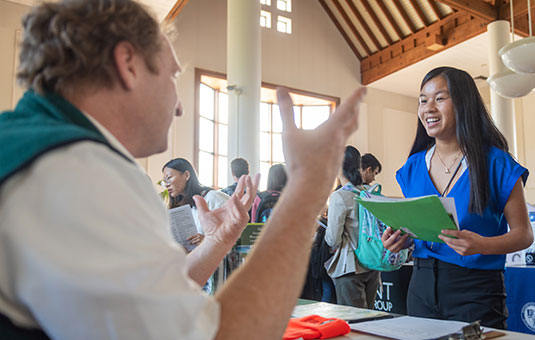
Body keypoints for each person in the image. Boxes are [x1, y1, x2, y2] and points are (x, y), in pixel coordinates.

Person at [0, 0, 367, 338]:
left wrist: (216, 242)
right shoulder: (80, 172)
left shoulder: (37, 153)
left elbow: (146, 299)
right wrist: (307, 189)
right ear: (128, 64)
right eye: (173, 75)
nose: (178, 108)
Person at [382, 66, 534, 329]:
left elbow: (524, 234)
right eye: (423, 100)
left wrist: (482, 245)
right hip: (420, 286)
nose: (428, 108)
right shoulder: (412, 168)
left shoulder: (497, 164)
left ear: (463, 103)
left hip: (477, 290)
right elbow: (417, 231)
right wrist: (400, 241)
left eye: (440, 98)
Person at [325, 146, 380, 308]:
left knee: (354, 323)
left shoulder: (340, 196)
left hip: (350, 267)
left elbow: (333, 239)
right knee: (368, 319)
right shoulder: (369, 192)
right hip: (372, 264)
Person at [163, 158, 229, 242]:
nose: (166, 185)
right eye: (165, 180)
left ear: (186, 175)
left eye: (169, 178)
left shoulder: (213, 198)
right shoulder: (183, 207)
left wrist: (207, 241)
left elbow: (233, 234)